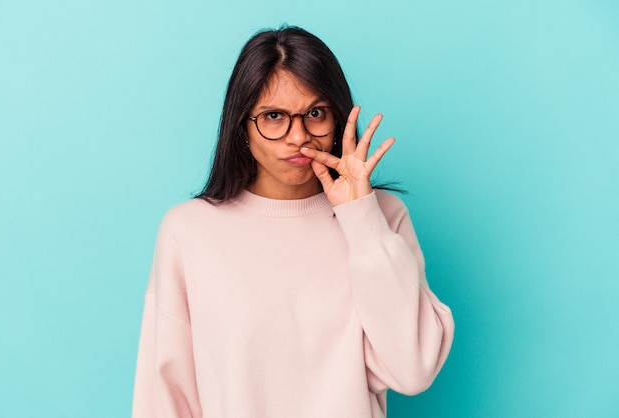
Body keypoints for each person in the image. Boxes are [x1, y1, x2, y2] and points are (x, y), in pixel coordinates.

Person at [132, 26, 454, 418]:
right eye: (273, 117)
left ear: (337, 118)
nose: (299, 137)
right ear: (242, 128)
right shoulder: (189, 231)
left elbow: (413, 370)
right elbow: (165, 396)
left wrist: (360, 217)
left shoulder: (381, 217)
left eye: (315, 114)